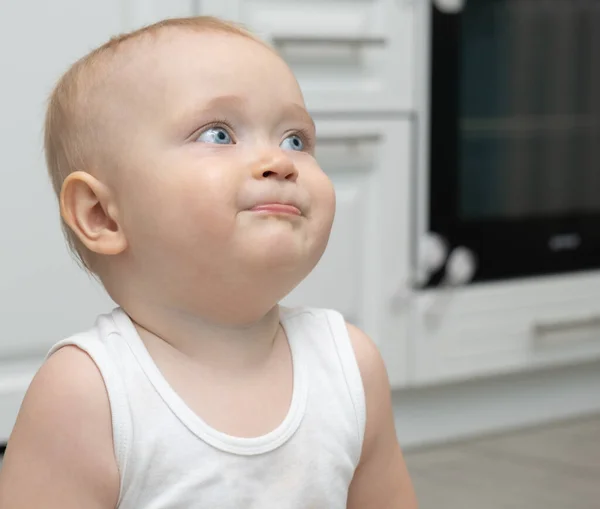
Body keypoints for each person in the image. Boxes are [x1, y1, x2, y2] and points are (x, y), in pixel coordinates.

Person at [0, 16, 417, 509]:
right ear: (101, 215)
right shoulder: (89, 394)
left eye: (295, 139)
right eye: (218, 134)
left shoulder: (351, 366)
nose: (280, 162)